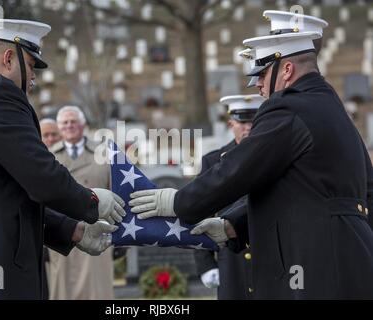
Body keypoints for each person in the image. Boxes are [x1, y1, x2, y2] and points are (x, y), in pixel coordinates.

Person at [129, 30, 373, 299]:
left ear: (287, 69)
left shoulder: (289, 109)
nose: (257, 84)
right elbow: (299, 189)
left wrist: (178, 202)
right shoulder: (332, 109)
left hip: (313, 263)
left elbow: (238, 169)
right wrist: (234, 226)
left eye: (262, 73)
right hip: (345, 258)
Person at [0, 19, 125, 299]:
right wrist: (90, 201)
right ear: (8, 58)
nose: (33, 77)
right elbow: (40, 175)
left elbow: (3, 191)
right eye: (30, 65)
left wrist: (73, 230)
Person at [194, 95, 264, 300]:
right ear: (231, 123)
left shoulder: (275, 157)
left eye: (254, 121)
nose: (248, 127)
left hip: (269, 256)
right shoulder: (214, 162)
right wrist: (205, 264)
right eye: (242, 122)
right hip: (231, 260)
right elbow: (200, 211)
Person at [46, 106, 115, 300]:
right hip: (63, 234)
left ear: (83, 124)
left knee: (97, 291)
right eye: (65, 123)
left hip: (96, 230)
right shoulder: (47, 156)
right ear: (59, 128)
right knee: (63, 290)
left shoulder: (103, 154)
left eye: (73, 121)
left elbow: (116, 192)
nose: (69, 126)